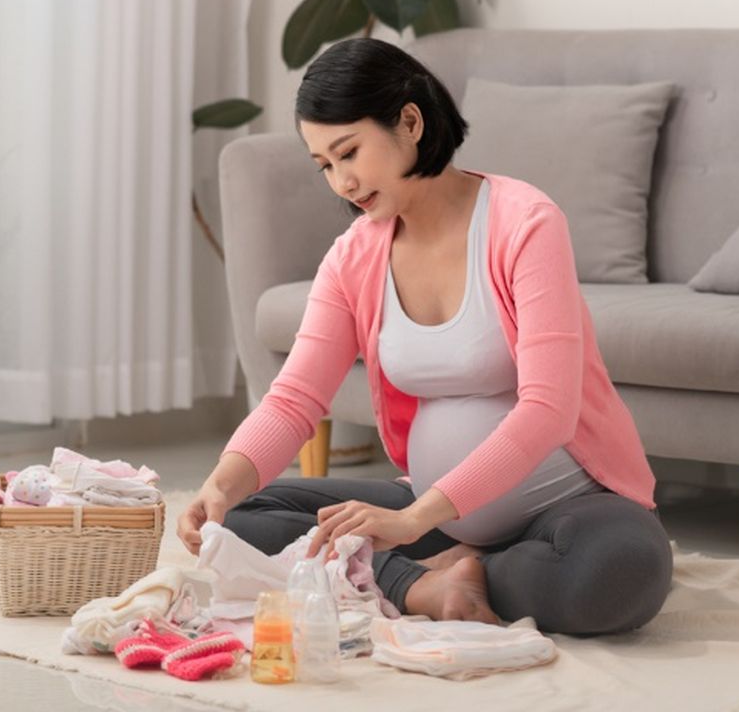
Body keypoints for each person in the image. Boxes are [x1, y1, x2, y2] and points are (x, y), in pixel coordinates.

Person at [177, 38, 674, 636]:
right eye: (326, 165)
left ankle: (423, 574)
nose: (342, 182)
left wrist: (414, 522)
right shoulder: (353, 256)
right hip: (426, 515)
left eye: (349, 152)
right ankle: (424, 582)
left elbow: (549, 409)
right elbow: (294, 398)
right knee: (243, 517)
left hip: (560, 512)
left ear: (409, 121)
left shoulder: (524, 222)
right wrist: (221, 484)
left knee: (620, 571)